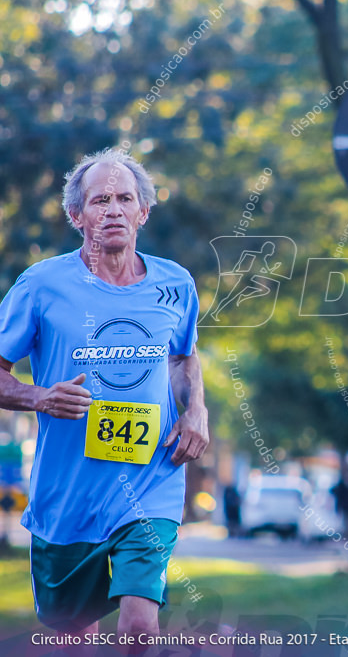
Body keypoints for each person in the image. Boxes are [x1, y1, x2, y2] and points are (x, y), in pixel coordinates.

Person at [0, 149, 208, 639]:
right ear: (77, 216)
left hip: (151, 479)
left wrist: (196, 409)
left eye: (124, 199)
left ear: (143, 212)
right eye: (100, 200)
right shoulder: (41, 285)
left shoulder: (175, 284)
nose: (113, 209)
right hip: (67, 492)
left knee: (140, 627)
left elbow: (182, 357)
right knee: (75, 637)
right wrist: (38, 398)